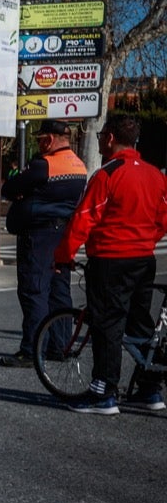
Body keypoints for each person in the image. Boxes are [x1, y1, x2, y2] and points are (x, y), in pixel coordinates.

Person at [55, 115, 167, 412]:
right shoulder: (156, 174)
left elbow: (83, 219)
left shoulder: (107, 174)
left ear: (109, 138)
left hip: (110, 259)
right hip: (144, 259)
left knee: (107, 324)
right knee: (141, 322)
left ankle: (104, 391)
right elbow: (163, 220)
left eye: (100, 135)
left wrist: (63, 256)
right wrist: (144, 239)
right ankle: (149, 388)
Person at [0, 119, 87, 366]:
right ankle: (58, 347)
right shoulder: (80, 166)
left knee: (34, 290)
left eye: (40, 139)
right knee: (60, 291)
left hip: (38, 236)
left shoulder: (44, 165)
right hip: (63, 235)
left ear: (49, 139)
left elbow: (10, 188)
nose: (39, 144)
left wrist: (21, 192)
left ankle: (31, 350)